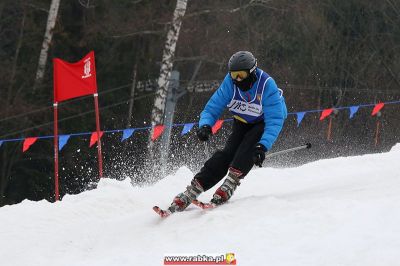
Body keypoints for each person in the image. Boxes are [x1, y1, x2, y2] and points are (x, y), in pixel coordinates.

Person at [168, 51, 287, 212]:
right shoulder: (230, 83)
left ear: (252, 72)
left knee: (248, 149)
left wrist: (262, 146)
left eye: (241, 75)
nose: (237, 79)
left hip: (264, 122)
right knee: (226, 154)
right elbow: (212, 108)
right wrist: (205, 126)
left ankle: (230, 183)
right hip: (242, 120)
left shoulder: (266, 85)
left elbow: (274, 121)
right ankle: (194, 188)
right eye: (234, 75)